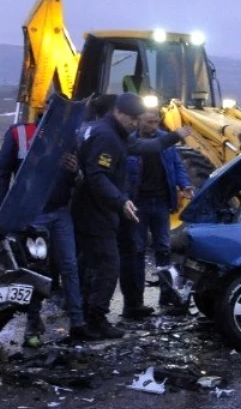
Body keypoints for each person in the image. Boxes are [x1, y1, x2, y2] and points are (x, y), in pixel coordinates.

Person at [72, 93, 187, 338]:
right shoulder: (107, 137)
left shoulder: (106, 131)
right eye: (133, 119)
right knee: (108, 265)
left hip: (94, 209)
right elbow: (97, 175)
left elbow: (147, 146)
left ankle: (82, 317)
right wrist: (121, 200)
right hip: (96, 211)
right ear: (119, 113)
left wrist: (174, 137)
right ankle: (95, 319)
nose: (135, 124)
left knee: (91, 264)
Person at [0, 111, 86, 346]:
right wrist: (4, 213)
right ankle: (32, 327)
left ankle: (78, 324)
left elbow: (79, 179)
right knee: (37, 271)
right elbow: (2, 174)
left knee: (69, 267)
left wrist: (76, 171)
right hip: (32, 215)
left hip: (60, 212)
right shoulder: (19, 134)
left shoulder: (69, 137)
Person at [124, 109, 193, 317]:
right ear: (139, 122)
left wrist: (185, 185)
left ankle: (166, 293)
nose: (154, 126)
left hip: (161, 202)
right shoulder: (130, 143)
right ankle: (135, 302)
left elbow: (177, 166)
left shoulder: (165, 141)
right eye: (149, 122)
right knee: (136, 250)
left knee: (163, 248)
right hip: (138, 204)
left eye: (156, 122)